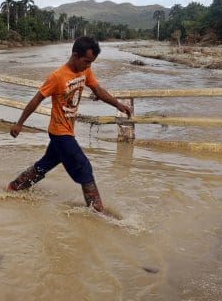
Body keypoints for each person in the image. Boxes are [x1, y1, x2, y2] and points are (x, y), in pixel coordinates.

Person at [7, 36, 132, 212]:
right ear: (75, 55)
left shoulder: (85, 71)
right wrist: (19, 123)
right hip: (59, 132)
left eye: (91, 63)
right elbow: (37, 99)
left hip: (67, 130)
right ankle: (98, 213)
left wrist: (118, 104)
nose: (88, 66)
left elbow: (98, 90)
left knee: (45, 164)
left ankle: (14, 187)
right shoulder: (57, 77)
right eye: (86, 61)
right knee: (84, 167)